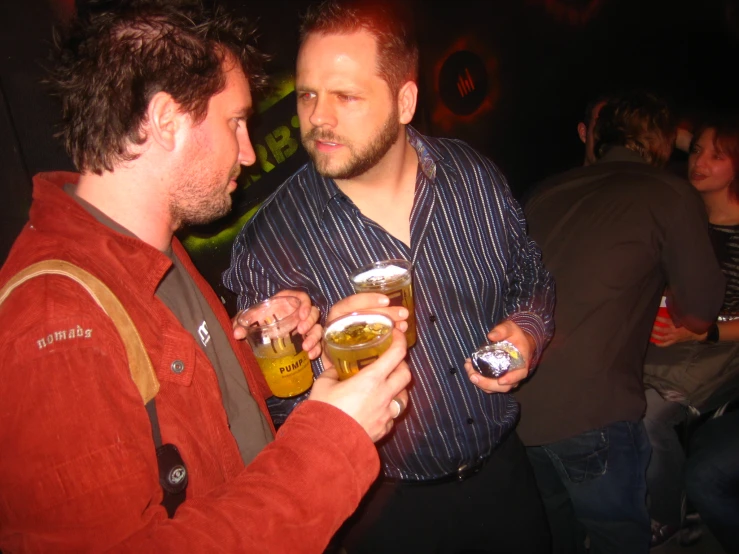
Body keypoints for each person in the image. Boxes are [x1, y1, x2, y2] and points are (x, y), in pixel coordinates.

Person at [0, 2, 412, 552]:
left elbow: (188, 426)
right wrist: (334, 436)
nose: (247, 152)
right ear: (167, 121)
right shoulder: (52, 325)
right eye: (236, 122)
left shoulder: (153, 249)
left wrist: (248, 349)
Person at [223, 1, 556, 552]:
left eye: (345, 96)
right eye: (307, 94)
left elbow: (529, 272)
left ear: (405, 100)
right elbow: (276, 414)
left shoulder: (471, 176)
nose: (318, 118)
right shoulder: (269, 245)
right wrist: (316, 368)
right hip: (384, 513)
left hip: (505, 474)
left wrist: (529, 329)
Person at [515, 91, 725, 554]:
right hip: (591, 412)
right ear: (663, 146)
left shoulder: (549, 188)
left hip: (515, 409)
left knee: (556, 537)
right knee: (619, 539)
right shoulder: (669, 192)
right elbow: (701, 310)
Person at [643, 118, 739, 551]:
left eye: (717, 155)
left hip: (720, 349)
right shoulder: (681, 211)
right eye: (696, 151)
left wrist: (702, 334)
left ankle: (668, 515)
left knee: (647, 413)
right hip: (669, 336)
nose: (699, 162)